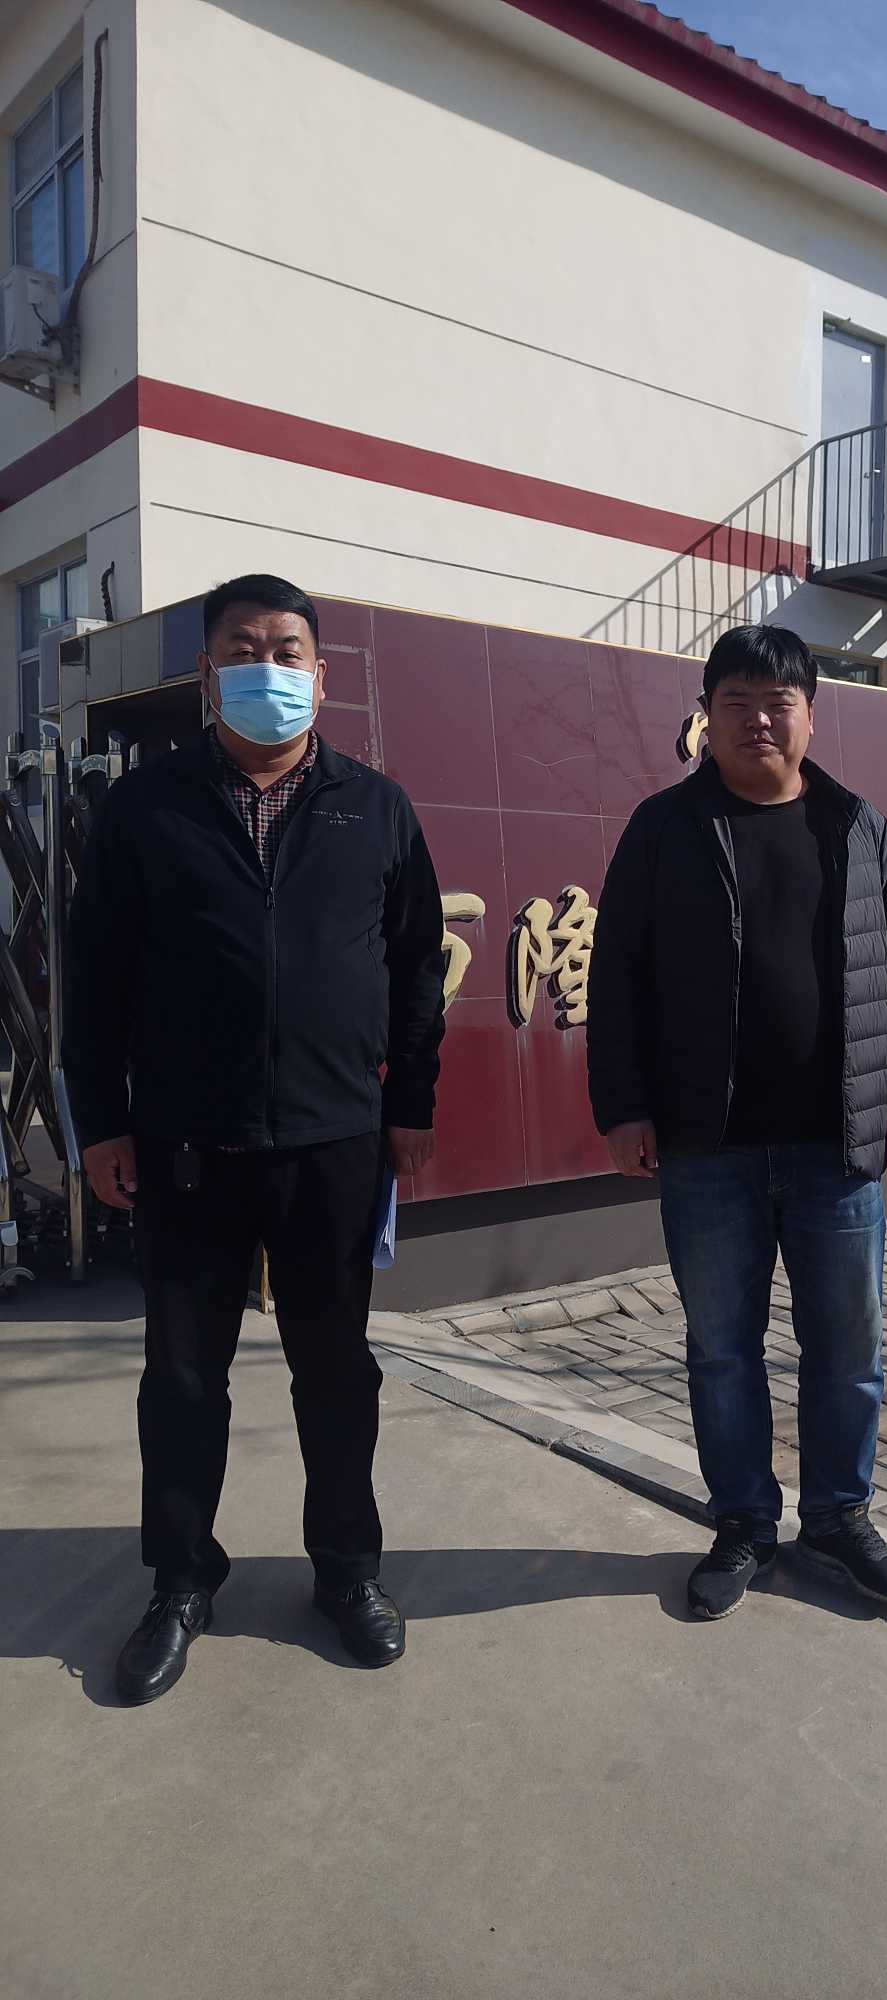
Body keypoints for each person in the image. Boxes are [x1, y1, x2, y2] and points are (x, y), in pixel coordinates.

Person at [64, 573, 447, 1703]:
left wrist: (411, 1105)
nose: (266, 668)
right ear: (206, 672)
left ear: (321, 678)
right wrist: (104, 1123)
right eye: (243, 648)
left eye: (288, 651)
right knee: (183, 1379)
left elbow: (416, 973)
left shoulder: (376, 808)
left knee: (337, 1372)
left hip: (335, 1141)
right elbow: (96, 981)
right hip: (188, 1144)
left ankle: (348, 1570)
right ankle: (182, 1579)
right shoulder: (147, 809)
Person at [587, 624, 887, 1620]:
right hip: (709, 1148)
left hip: (838, 1144)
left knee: (848, 1346)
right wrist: (623, 1107)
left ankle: (838, 1515)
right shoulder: (664, 829)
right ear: (707, 715)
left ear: (811, 714)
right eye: (734, 701)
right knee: (721, 1348)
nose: (757, 720)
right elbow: (616, 979)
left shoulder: (857, 827)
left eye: (778, 701)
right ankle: (743, 1519)